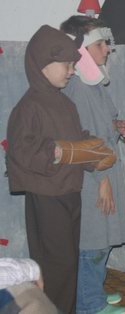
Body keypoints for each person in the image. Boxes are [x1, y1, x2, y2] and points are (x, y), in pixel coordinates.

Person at [7, 25, 115, 313]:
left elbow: (76, 141)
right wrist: (56, 151)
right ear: (43, 65)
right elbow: (21, 150)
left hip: (69, 192)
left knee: (68, 262)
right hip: (46, 196)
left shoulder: (66, 104)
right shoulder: (29, 106)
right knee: (55, 264)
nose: (71, 71)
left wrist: (92, 153)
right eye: (66, 65)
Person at [60, 16, 125, 314]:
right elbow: (83, 139)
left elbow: (101, 125)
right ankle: (88, 303)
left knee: (103, 238)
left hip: (105, 171)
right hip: (92, 178)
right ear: (82, 49)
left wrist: (116, 126)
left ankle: (93, 292)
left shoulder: (94, 85)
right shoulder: (78, 88)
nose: (107, 49)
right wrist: (101, 180)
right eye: (100, 44)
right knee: (92, 240)